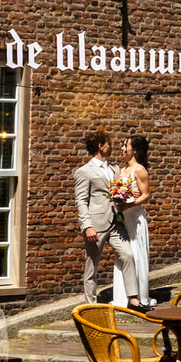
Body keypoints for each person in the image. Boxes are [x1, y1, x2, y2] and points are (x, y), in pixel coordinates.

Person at [73, 128, 136, 305]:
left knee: (128, 255)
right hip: (96, 225)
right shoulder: (84, 171)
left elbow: (120, 193)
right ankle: (91, 305)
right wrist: (87, 226)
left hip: (116, 223)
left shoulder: (115, 168)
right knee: (92, 267)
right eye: (110, 144)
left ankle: (133, 299)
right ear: (101, 146)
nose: (112, 147)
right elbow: (81, 201)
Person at [111, 135, 155, 310]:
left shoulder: (139, 170)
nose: (122, 149)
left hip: (135, 219)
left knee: (136, 255)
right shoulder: (121, 171)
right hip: (122, 219)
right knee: (123, 255)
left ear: (134, 150)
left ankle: (139, 295)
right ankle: (123, 296)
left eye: (125, 145)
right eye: (122, 145)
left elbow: (145, 195)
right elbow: (116, 192)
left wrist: (129, 204)